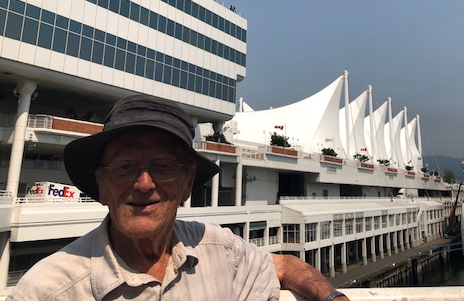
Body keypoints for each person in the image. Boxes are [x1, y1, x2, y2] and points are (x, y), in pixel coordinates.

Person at [8, 94, 349, 301]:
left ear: (187, 185)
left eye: (163, 166)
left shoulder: (218, 250)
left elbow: (285, 265)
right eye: (125, 166)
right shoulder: (48, 289)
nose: (144, 183)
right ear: (102, 186)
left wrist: (332, 296)